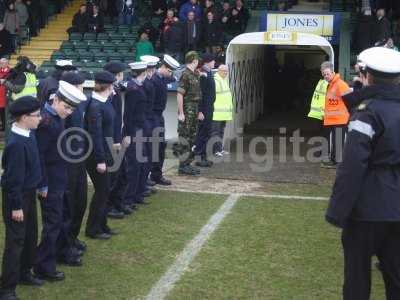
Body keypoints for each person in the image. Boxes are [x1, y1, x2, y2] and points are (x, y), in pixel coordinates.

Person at [325, 46, 400, 299]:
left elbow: (353, 167)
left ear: (366, 75)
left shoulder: (367, 113)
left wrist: (337, 211)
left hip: (367, 210)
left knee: (357, 280)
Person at [34, 81, 87, 281]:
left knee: (61, 219)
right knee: (52, 224)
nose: (69, 111)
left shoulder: (56, 117)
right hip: (50, 183)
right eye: (66, 106)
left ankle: (52, 256)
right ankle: (43, 266)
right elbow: (39, 155)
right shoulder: (46, 122)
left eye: (72, 108)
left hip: (60, 178)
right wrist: (43, 184)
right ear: (54, 99)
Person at [0, 97, 43, 300]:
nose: (40, 118)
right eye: (36, 115)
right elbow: (12, 180)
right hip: (17, 198)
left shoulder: (28, 134)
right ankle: (7, 288)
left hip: (29, 194)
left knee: (30, 235)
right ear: (24, 117)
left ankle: (25, 273)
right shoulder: (16, 144)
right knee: (15, 241)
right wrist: (16, 206)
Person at [85, 71, 118, 239]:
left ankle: (102, 224)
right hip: (97, 155)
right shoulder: (95, 105)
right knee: (102, 191)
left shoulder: (104, 102)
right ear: (109, 86)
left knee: (106, 191)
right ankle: (93, 229)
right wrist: (100, 160)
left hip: (107, 151)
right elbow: (95, 135)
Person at [61, 71, 89, 260]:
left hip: (79, 156)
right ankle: (64, 246)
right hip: (69, 159)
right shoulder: (66, 107)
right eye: (80, 85)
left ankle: (72, 238)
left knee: (80, 200)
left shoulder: (78, 105)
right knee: (69, 204)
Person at [103, 62, 131, 219]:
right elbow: (110, 121)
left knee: (122, 175)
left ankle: (117, 203)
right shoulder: (108, 95)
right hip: (112, 140)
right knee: (114, 176)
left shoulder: (116, 90)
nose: (122, 76)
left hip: (117, 137)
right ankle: (109, 207)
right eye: (120, 74)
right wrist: (116, 140)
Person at [150, 54, 180, 185]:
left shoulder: (162, 78)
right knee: (152, 147)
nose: (171, 74)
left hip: (159, 116)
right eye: (169, 70)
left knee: (160, 146)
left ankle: (157, 174)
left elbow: (173, 77)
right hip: (152, 115)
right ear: (163, 67)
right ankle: (149, 176)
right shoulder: (153, 80)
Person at [123, 62, 148, 209]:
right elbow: (128, 114)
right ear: (142, 73)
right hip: (134, 131)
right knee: (134, 166)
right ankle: (127, 200)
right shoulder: (133, 89)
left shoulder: (136, 87)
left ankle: (134, 196)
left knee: (140, 164)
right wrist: (128, 134)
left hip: (139, 129)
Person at [174, 51, 202, 175]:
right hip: (187, 109)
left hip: (194, 109)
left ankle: (187, 163)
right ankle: (182, 165)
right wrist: (181, 113)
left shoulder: (194, 74)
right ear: (194, 61)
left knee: (191, 137)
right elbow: (180, 94)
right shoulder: (185, 75)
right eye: (197, 61)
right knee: (184, 138)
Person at [320, 61, 350, 168]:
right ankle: (334, 160)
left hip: (339, 119)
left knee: (338, 142)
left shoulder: (340, 84)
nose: (326, 76)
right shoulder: (330, 85)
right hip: (333, 119)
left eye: (328, 73)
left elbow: (349, 100)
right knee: (335, 141)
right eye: (324, 74)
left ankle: (338, 163)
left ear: (333, 72)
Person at [195, 53, 215, 167]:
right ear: (208, 61)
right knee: (202, 133)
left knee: (206, 133)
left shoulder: (208, 72)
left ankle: (203, 156)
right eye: (212, 61)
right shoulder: (203, 74)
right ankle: (199, 156)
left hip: (209, 106)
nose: (214, 63)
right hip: (205, 108)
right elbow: (200, 94)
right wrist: (200, 111)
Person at [211, 64, 233, 156]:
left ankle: (219, 149)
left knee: (220, 132)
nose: (226, 73)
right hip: (217, 113)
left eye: (227, 71)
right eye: (224, 71)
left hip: (223, 114)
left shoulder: (223, 80)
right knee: (215, 133)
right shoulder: (216, 80)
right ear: (219, 71)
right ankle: (215, 151)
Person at [0, 57, 10, 130]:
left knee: (4, 113)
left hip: (5, 95)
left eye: (2, 63)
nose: (1, 64)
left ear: (7, 63)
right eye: (0, 63)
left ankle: (5, 127)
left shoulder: (11, 72)